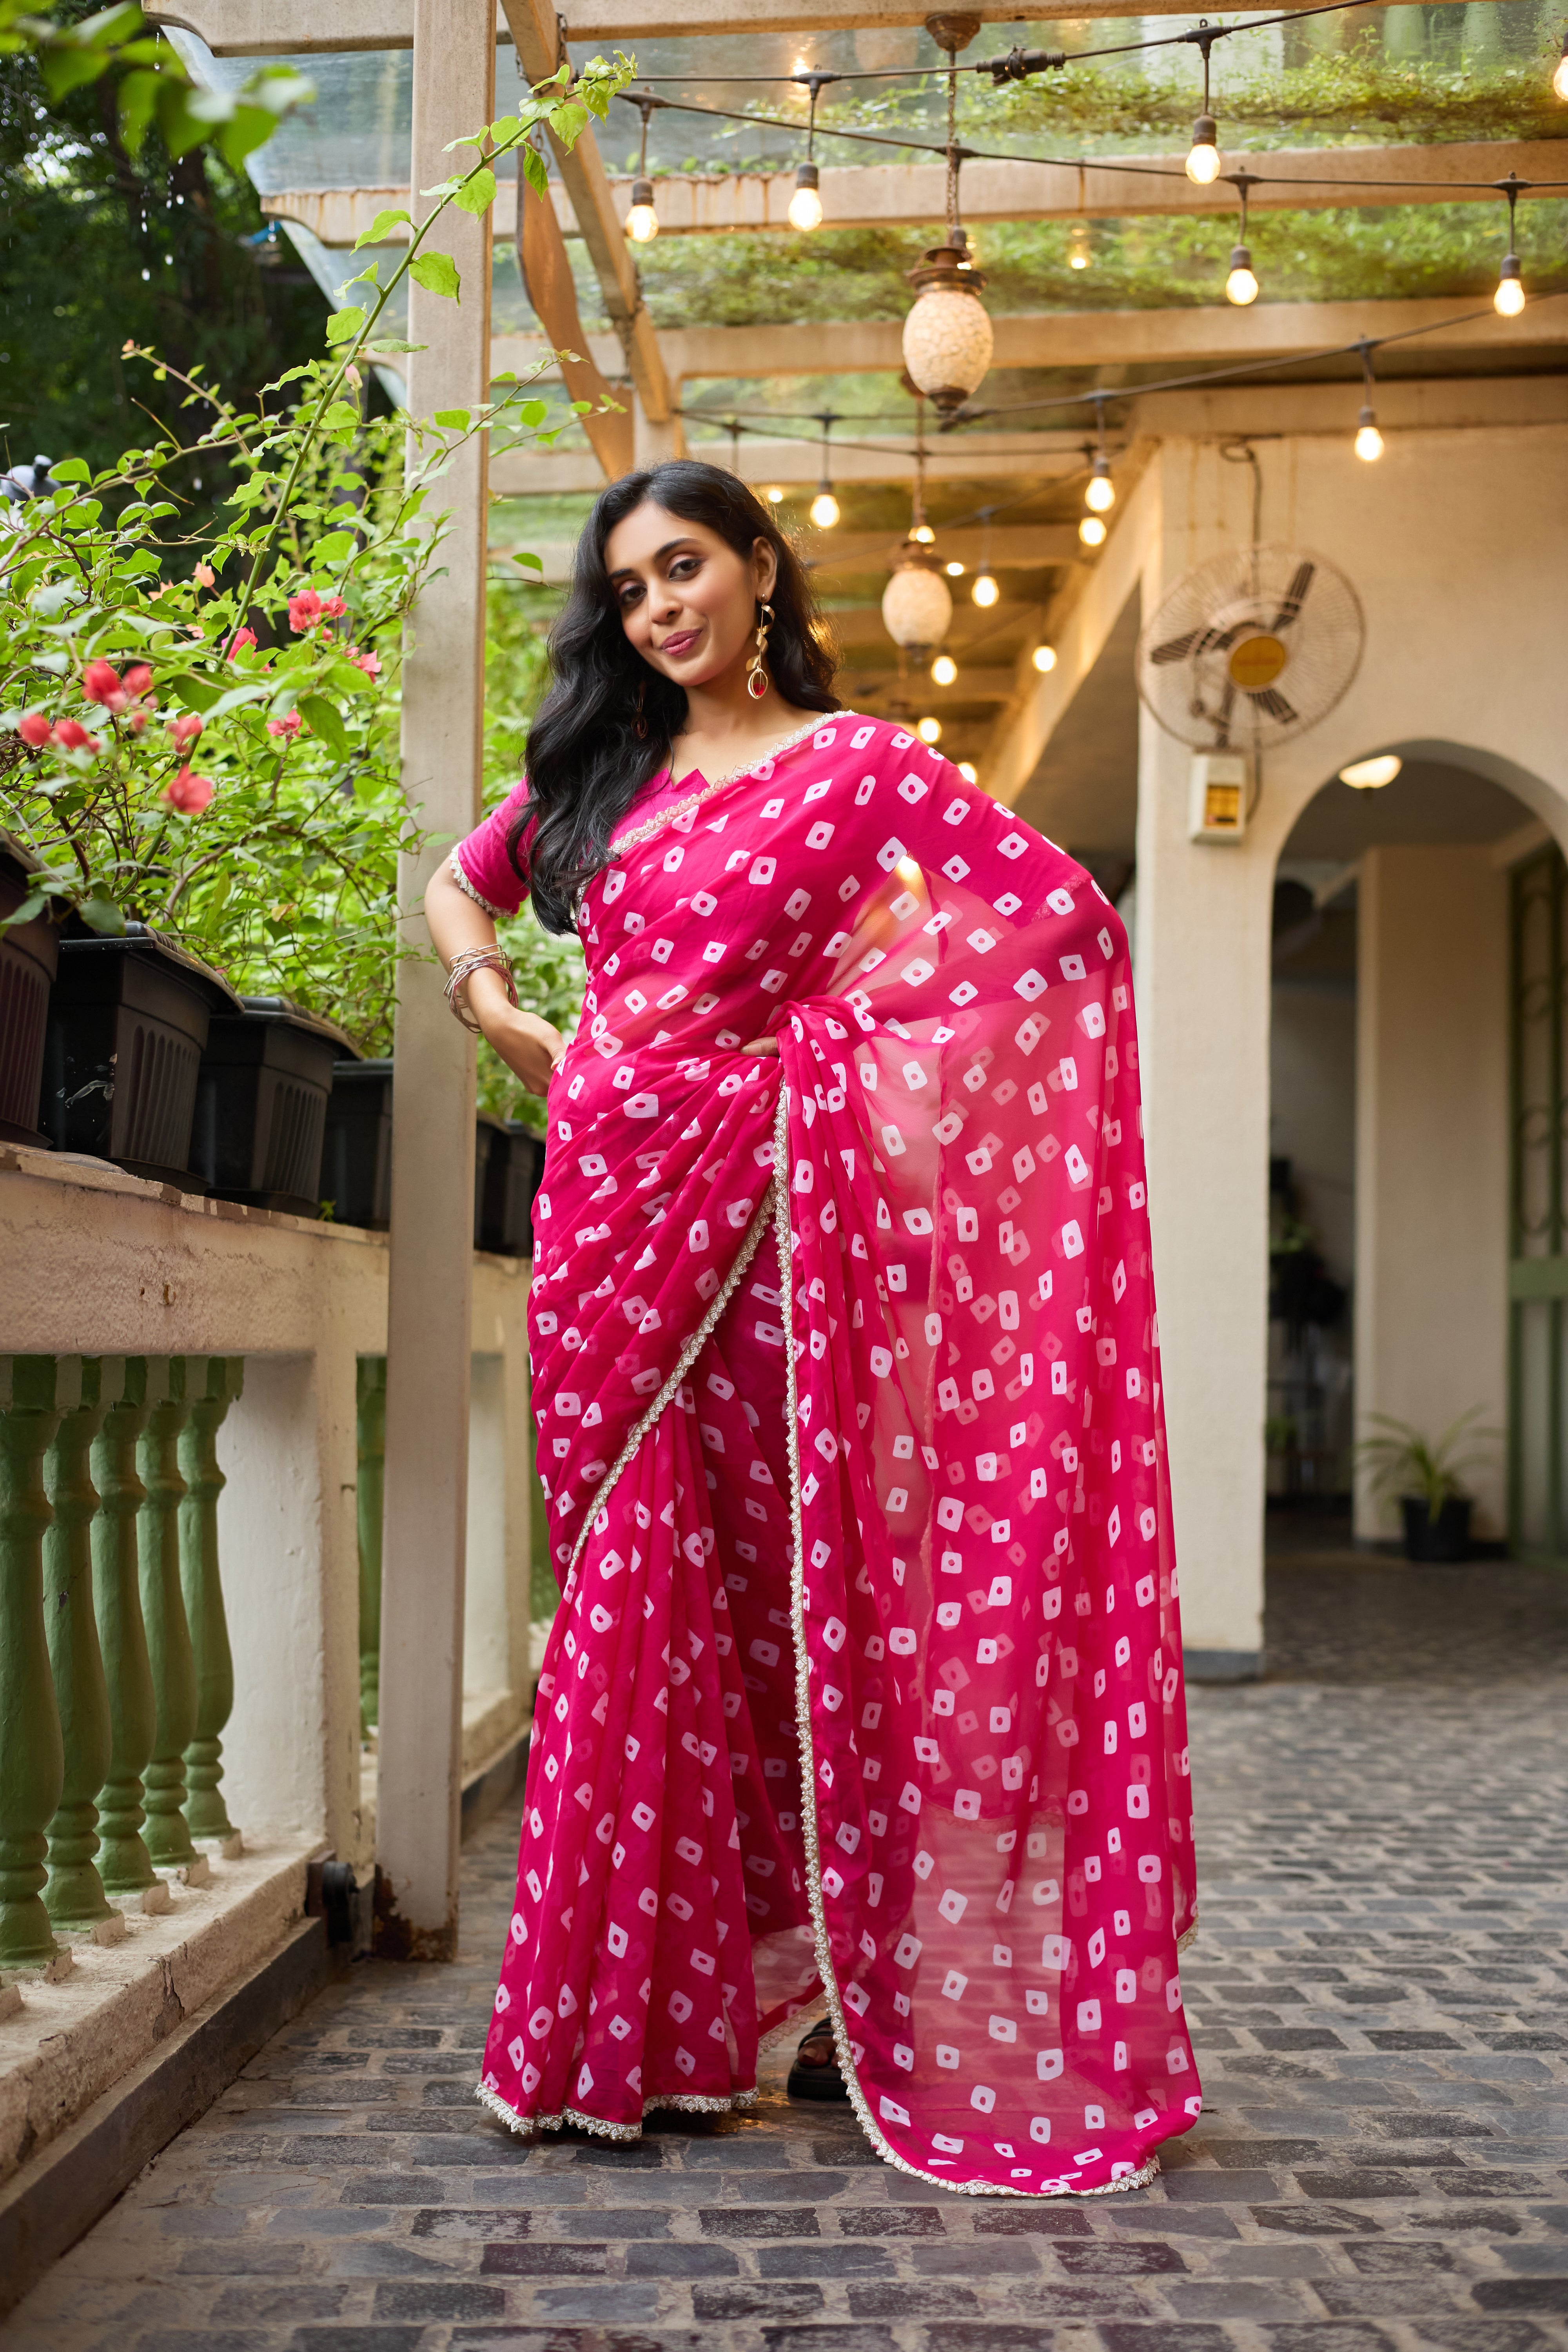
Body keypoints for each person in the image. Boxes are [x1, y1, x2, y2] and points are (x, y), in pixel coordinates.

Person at [424, 459, 1199, 2200]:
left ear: (759, 566)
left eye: (684, 567)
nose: (659, 610)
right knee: (631, 1588)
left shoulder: (853, 775)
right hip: (603, 1233)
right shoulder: (594, 775)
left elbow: (1051, 937)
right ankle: (634, 2026)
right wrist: (507, 1020)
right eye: (628, 589)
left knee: (787, 1605)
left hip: (771, 1243)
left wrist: (831, 1062)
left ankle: (813, 1992)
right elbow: (451, 890)